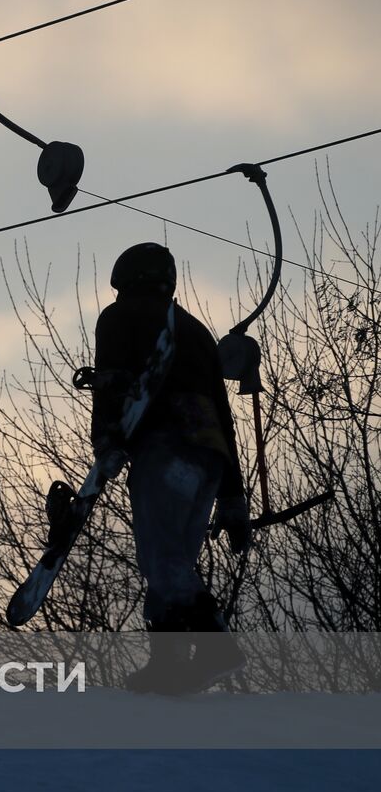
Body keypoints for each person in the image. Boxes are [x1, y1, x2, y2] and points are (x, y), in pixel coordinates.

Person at [91, 243, 251, 694]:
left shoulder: (118, 318)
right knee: (173, 558)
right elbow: (222, 412)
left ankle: (216, 643)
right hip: (209, 458)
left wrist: (105, 442)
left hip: (164, 449)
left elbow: (110, 380)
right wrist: (234, 499)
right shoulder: (196, 331)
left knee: (161, 557)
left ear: (127, 281)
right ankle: (168, 663)